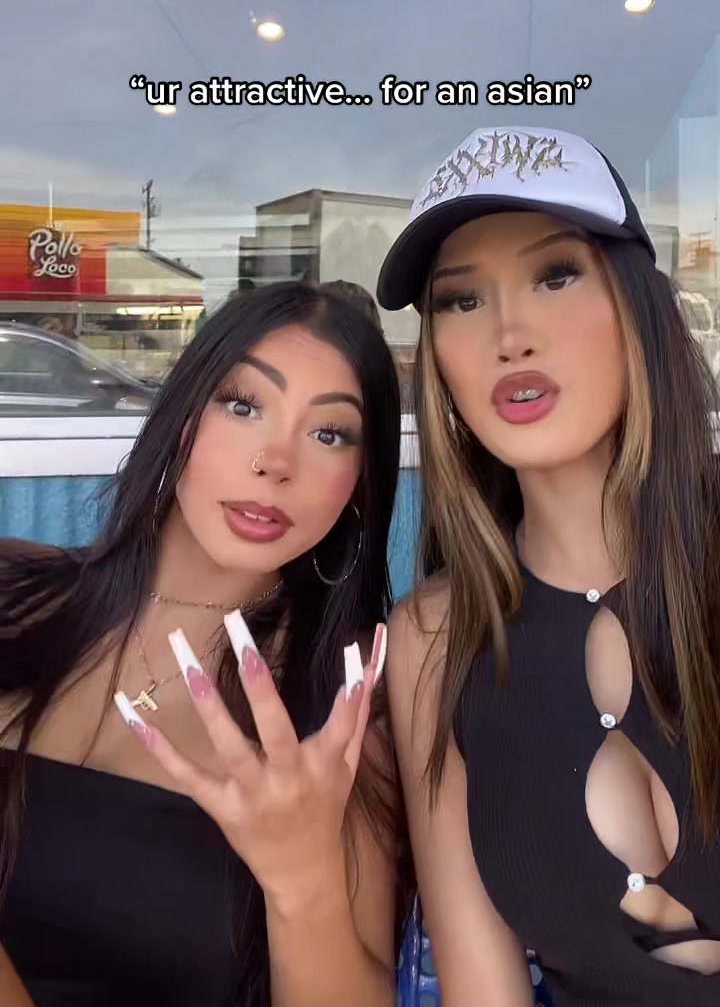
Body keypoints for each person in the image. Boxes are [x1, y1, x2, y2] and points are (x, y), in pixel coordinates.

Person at [377, 125, 720, 1005]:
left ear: (638, 305)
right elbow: (482, 987)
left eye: (556, 276)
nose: (509, 334)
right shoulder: (432, 640)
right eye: (460, 300)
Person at [0, 281, 401, 1007]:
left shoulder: (346, 711)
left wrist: (303, 882)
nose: (275, 462)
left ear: (360, 483)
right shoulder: (13, 591)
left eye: (329, 433)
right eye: (243, 405)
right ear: (183, 417)